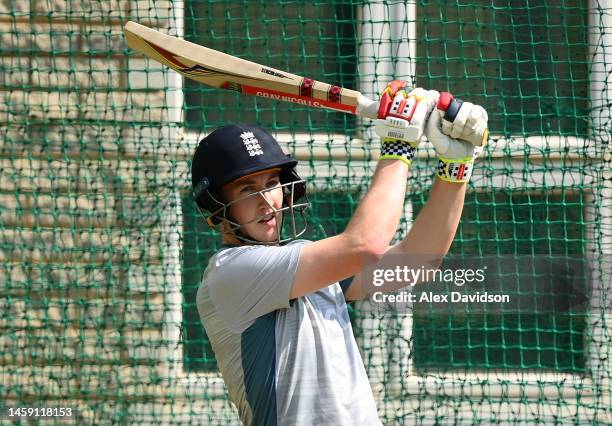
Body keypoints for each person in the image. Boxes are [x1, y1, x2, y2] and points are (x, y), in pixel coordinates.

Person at [192, 80, 488, 425]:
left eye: (271, 183)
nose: (266, 201)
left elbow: (416, 263)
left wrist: (456, 166)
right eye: (246, 188)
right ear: (216, 208)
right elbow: (364, 244)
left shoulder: (305, 264)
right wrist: (398, 147)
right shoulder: (230, 273)